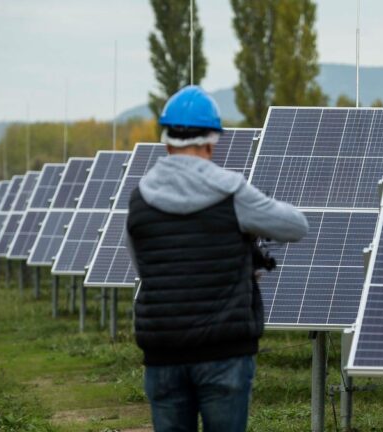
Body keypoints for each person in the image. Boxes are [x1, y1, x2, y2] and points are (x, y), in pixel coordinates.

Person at [126, 85, 309, 432]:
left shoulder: (140, 199)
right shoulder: (232, 191)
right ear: (212, 141)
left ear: (166, 140)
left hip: (163, 353)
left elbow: (142, 266)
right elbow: (295, 226)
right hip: (224, 353)